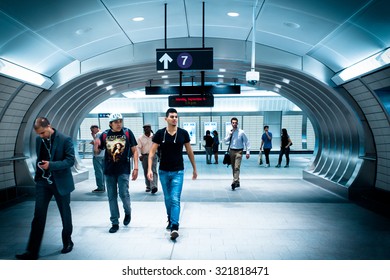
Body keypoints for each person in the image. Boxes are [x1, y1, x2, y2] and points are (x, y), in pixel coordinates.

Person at [16, 117, 75, 260]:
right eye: (39, 134)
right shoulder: (38, 140)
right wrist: (39, 174)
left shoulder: (64, 139)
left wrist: (51, 165)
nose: (41, 136)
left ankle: (67, 241)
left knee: (65, 214)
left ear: (49, 126)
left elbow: (70, 161)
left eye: (43, 133)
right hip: (43, 183)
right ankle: (32, 251)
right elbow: (39, 158)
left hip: (61, 182)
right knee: (38, 216)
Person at [147, 108, 197, 240]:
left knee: (175, 199)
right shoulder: (159, 134)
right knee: (168, 198)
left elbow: (189, 151)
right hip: (163, 172)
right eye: (172, 116)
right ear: (166, 119)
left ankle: (175, 226)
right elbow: (151, 153)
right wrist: (149, 169)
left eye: (176, 116)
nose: (175, 118)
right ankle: (170, 219)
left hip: (178, 172)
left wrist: (194, 168)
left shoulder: (183, 133)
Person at [94, 113, 139, 233]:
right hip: (109, 170)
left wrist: (136, 168)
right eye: (116, 122)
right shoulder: (104, 135)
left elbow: (135, 151)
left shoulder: (127, 133)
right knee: (111, 196)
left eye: (120, 121)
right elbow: (97, 153)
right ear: (110, 124)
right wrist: (95, 145)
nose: (119, 123)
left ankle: (128, 212)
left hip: (123, 169)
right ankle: (114, 221)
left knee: (124, 194)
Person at [224, 117, 250, 190]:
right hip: (231, 151)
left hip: (239, 151)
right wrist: (229, 135)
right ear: (231, 123)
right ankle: (237, 181)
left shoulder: (241, 132)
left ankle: (234, 182)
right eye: (233, 123)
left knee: (236, 167)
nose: (234, 124)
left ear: (237, 123)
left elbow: (247, 142)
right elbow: (225, 141)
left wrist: (248, 152)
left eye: (235, 122)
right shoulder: (229, 131)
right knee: (233, 168)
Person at [137, 124, 158, 194]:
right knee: (146, 171)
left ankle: (154, 186)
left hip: (153, 156)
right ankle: (148, 186)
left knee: (153, 170)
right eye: (145, 128)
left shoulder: (154, 137)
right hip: (144, 156)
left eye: (148, 127)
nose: (146, 129)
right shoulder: (140, 138)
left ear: (150, 128)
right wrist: (140, 155)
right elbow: (138, 148)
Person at [90, 125, 105, 193]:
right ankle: (102, 186)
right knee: (102, 171)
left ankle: (100, 187)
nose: (92, 132)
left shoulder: (99, 134)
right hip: (103, 155)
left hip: (98, 155)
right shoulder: (103, 134)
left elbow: (97, 143)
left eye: (92, 130)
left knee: (98, 172)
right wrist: (93, 136)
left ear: (96, 128)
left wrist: (95, 153)